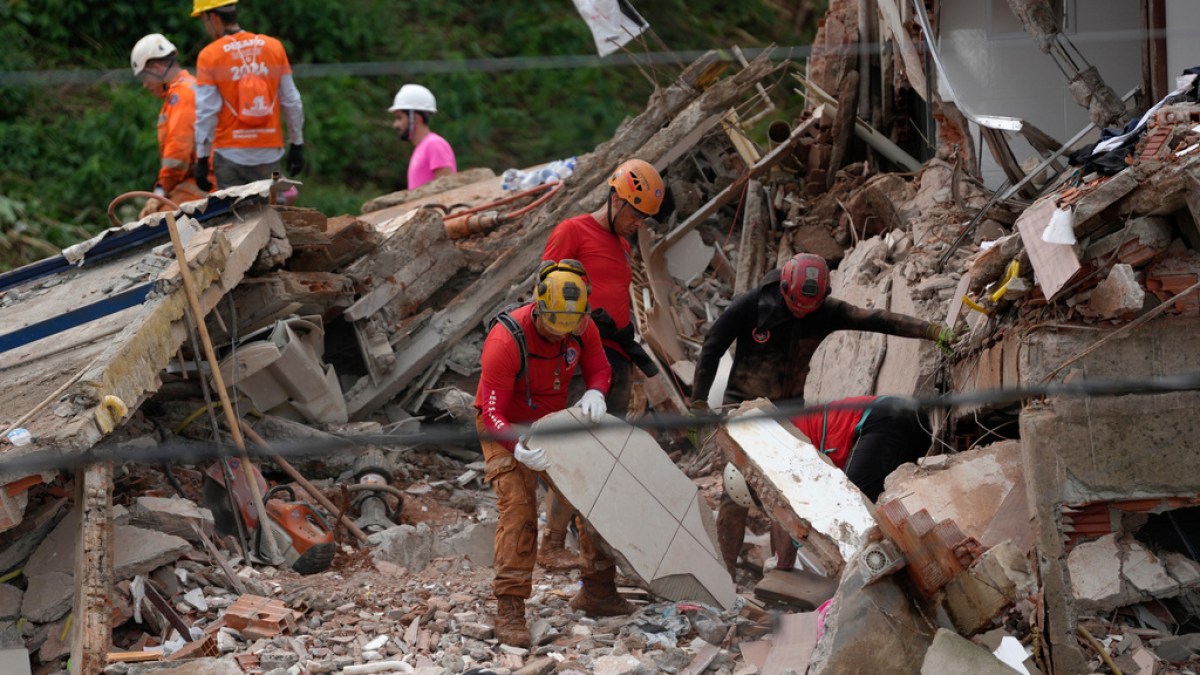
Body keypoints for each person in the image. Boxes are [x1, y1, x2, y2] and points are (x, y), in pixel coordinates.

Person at [689, 252, 958, 576]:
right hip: (743, 410)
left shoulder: (825, 312)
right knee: (736, 490)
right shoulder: (753, 305)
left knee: (788, 488)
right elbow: (713, 345)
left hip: (789, 411)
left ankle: (784, 570)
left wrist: (931, 330)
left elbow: (876, 319)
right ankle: (724, 574)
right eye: (796, 305)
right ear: (784, 289)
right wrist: (698, 402)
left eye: (810, 307)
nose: (802, 311)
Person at [473, 260, 633, 648]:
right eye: (552, 326)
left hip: (553, 421)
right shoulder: (505, 340)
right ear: (539, 306)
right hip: (504, 424)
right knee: (518, 508)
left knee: (596, 495)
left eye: (568, 328)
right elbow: (491, 412)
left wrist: (595, 391)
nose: (560, 333)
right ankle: (510, 605)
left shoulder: (580, 325)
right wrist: (516, 447)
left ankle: (597, 589)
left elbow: (599, 367)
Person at [534, 158, 665, 570]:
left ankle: (597, 570)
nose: (638, 225)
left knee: (606, 459)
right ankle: (552, 543)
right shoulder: (572, 231)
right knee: (578, 450)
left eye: (644, 219)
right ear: (615, 199)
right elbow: (546, 292)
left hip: (616, 358)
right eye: (635, 215)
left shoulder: (623, 245)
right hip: (578, 356)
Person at [719, 396, 933, 576]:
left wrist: (782, 563)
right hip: (913, 419)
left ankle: (877, 580)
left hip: (881, 420)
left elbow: (790, 510)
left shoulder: (775, 453)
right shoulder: (778, 439)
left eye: (760, 497)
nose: (766, 501)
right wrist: (782, 561)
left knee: (851, 512)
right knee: (884, 511)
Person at [191, 0, 305, 192]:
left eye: (204, 20)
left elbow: (206, 112)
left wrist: (202, 158)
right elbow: (291, 100)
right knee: (271, 208)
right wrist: (297, 144)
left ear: (212, 17)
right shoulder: (274, 47)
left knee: (235, 210)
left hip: (230, 154)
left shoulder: (209, 56)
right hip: (269, 152)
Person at [130, 34, 207, 218]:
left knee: (154, 225)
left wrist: (160, 191)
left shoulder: (181, 95)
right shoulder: (189, 87)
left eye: (145, 77)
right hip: (201, 176)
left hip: (204, 181)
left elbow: (177, 155)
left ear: (156, 69)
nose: (145, 85)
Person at [389, 83, 456, 190]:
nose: (395, 125)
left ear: (415, 118)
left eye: (399, 118)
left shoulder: (434, 145)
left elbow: (448, 190)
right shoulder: (422, 148)